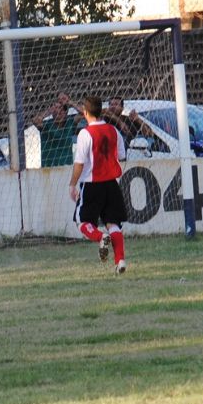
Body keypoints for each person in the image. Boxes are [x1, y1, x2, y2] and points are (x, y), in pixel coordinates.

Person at [69, 96, 128, 275]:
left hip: (92, 184)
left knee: (81, 221)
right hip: (111, 184)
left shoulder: (85, 134)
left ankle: (100, 237)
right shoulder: (113, 130)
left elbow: (79, 163)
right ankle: (120, 261)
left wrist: (72, 185)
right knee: (114, 223)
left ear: (85, 112)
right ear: (102, 111)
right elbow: (123, 156)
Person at [31, 102, 83, 167]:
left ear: (66, 112)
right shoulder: (47, 125)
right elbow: (35, 120)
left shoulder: (70, 122)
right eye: (56, 109)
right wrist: (48, 111)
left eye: (61, 109)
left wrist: (69, 102)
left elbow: (84, 113)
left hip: (66, 166)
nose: (59, 111)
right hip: (49, 168)